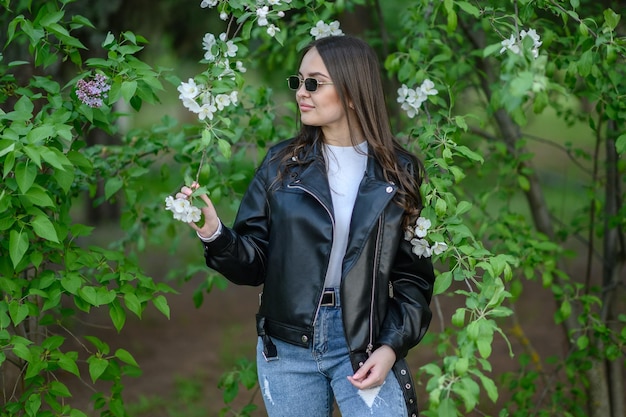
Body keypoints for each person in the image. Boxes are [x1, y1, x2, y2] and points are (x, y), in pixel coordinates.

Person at [176, 35, 435, 417]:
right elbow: (254, 264)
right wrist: (215, 233)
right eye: (298, 81)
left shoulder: (399, 172)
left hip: (361, 342)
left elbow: (414, 278)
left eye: (314, 82)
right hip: (288, 347)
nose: (301, 92)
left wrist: (390, 346)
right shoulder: (282, 164)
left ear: (351, 92)